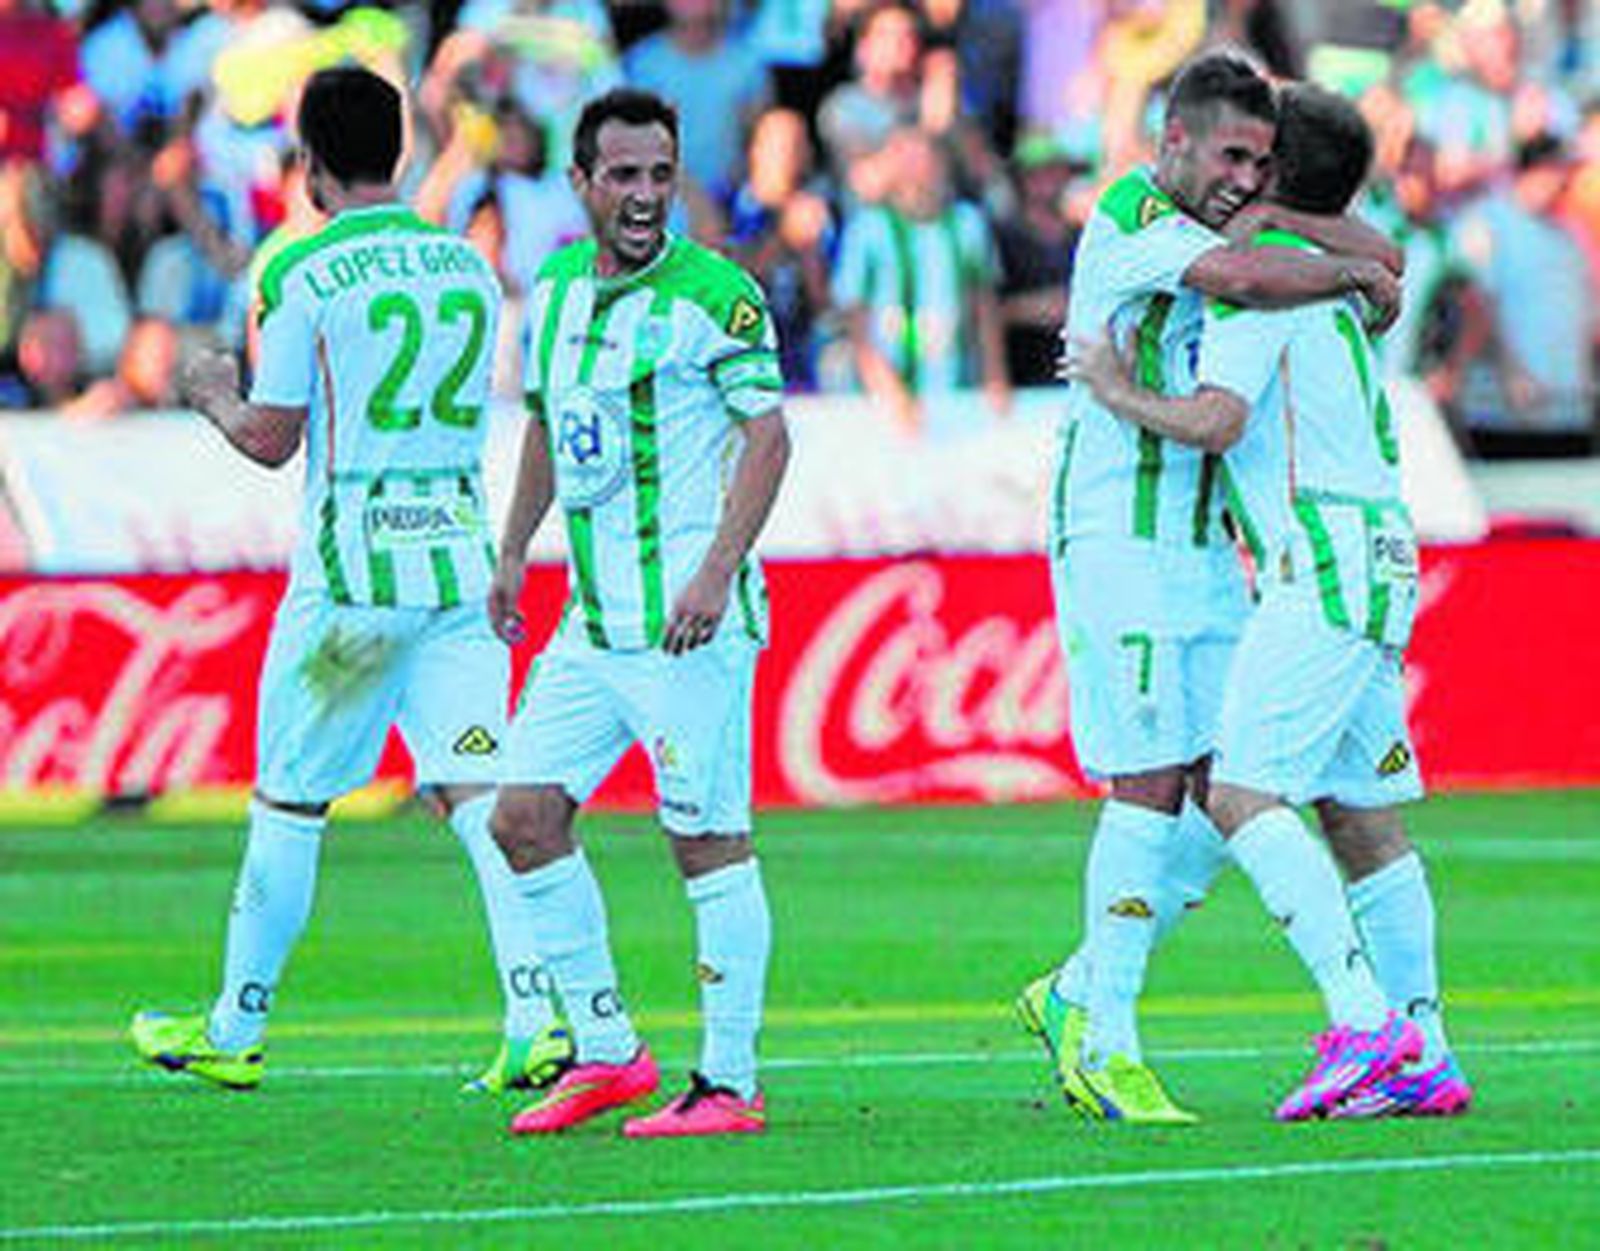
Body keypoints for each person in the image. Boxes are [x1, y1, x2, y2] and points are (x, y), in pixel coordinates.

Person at [129, 66, 573, 1096]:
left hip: (352, 587)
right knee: (477, 793)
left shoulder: (298, 269)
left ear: (308, 164)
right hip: (457, 570)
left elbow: (272, 438)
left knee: (289, 800)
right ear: (404, 152)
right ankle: (535, 1013)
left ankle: (235, 1026)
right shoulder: (464, 267)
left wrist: (206, 391)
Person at [1013, 50, 1405, 1124]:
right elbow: (1249, 280)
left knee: (1223, 788)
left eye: (1262, 160)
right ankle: (1108, 1042)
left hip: (1203, 547)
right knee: (1149, 783)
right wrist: (1346, 269)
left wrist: (1327, 236)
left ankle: (1081, 988)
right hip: (1117, 539)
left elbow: (1375, 247)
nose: (1244, 176)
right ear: (1172, 140)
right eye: (1229, 155)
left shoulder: (1232, 217)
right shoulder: (1128, 213)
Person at [486, 86, 790, 1138]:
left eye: (661, 174)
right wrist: (515, 545)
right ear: (580, 184)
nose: (646, 196)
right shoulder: (559, 284)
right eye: (623, 176)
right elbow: (544, 425)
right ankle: (610, 1053)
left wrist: (714, 572)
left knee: (705, 840)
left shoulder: (718, 296)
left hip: (685, 624)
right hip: (588, 619)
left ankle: (729, 1082)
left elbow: (769, 439)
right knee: (519, 819)